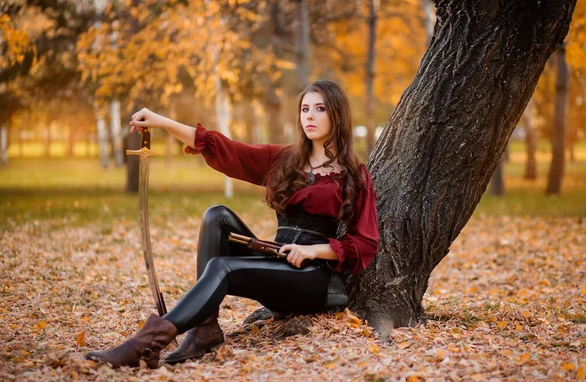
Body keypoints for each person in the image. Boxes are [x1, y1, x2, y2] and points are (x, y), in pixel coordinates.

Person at [85, 80, 379, 368]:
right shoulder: (285, 159)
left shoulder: (354, 174)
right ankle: (205, 329)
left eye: (320, 109)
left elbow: (365, 243)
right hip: (279, 261)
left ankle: (144, 344)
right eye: (304, 109)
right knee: (217, 215)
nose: (310, 116)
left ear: (337, 116)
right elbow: (227, 150)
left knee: (222, 267)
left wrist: (315, 251)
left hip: (315, 280)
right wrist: (163, 122)